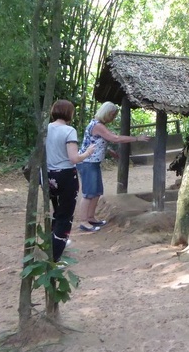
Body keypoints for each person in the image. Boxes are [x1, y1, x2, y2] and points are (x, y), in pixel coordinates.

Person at [76, 101, 150, 232]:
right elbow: (115, 138)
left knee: (97, 191)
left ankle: (91, 217)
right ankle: (83, 221)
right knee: (89, 193)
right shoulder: (97, 125)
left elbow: (98, 141)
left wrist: (109, 151)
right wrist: (137, 138)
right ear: (107, 113)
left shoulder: (98, 125)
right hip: (87, 162)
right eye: (112, 115)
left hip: (93, 162)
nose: (113, 118)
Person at [45, 99, 96, 262]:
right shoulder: (69, 130)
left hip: (49, 176)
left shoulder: (46, 129)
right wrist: (88, 152)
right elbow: (74, 158)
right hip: (66, 176)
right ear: (69, 113)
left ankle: (54, 243)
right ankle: (54, 257)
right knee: (64, 217)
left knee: (57, 212)